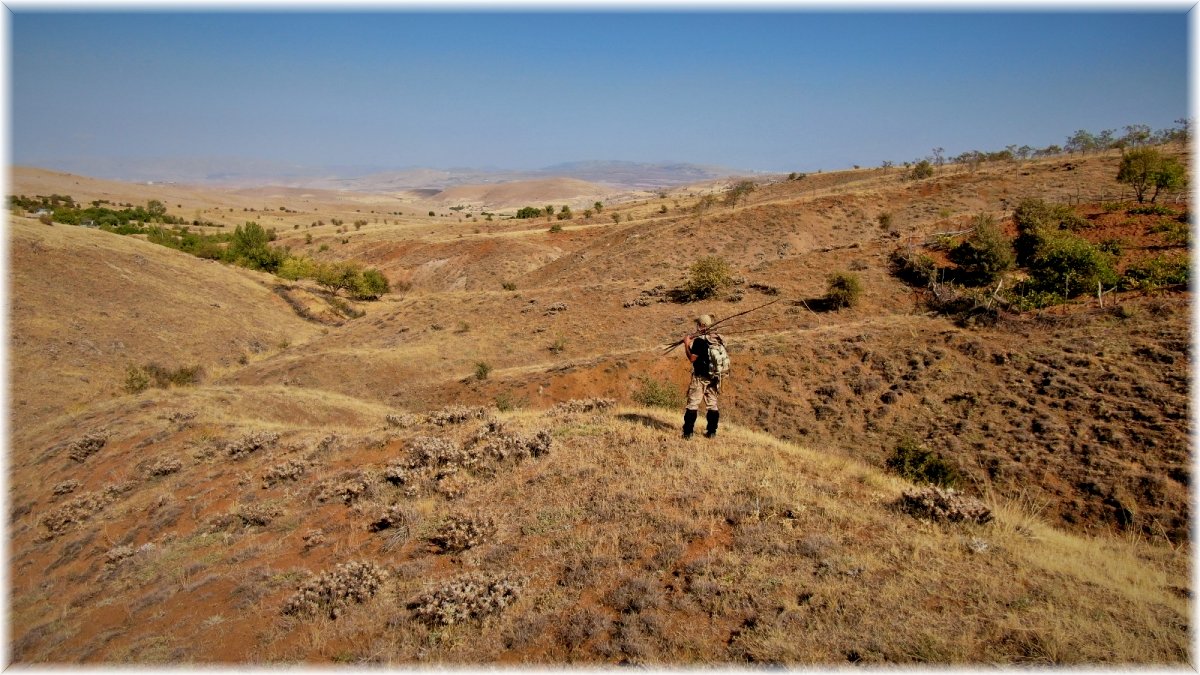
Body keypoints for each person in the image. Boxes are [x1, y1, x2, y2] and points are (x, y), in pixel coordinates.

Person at [681, 314, 724, 439]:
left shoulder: (699, 341)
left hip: (700, 377)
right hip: (714, 377)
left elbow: (692, 358)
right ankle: (711, 432)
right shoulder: (716, 339)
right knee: (712, 405)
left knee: (693, 404)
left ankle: (688, 433)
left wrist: (686, 344)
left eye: (698, 324)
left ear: (702, 326)